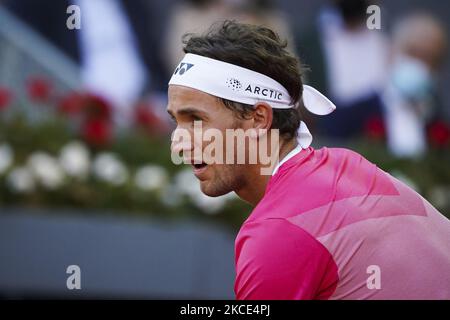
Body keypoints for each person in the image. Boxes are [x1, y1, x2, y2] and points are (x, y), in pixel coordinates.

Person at [167, 21, 450, 299]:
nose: (178, 143)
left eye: (196, 120)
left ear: (258, 119)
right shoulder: (348, 164)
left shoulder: (277, 231)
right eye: (176, 121)